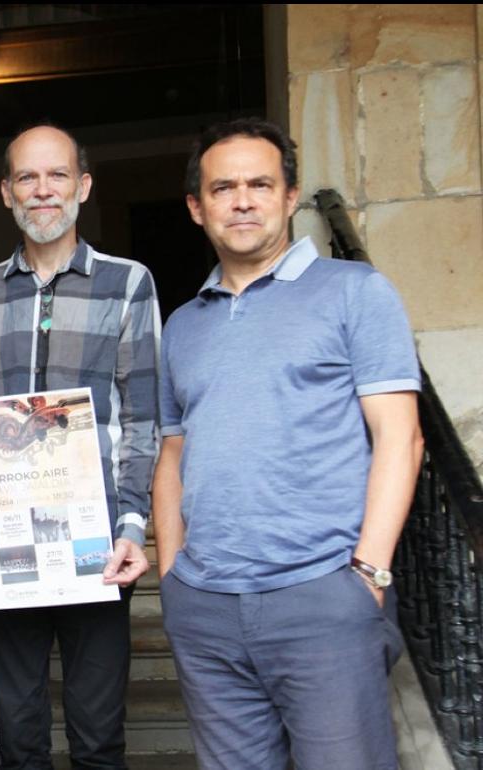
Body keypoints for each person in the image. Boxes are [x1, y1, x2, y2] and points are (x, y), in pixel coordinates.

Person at [152, 118, 423, 769]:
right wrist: (172, 580)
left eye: (259, 184)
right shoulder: (183, 325)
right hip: (208, 610)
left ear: (289, 195)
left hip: (323, 598)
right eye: (223, 188)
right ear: (197, 206)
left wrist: (369, 574)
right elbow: (172, 459)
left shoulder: (356, 292)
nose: (242, 200)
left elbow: (401, 437)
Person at [0, 124, 159, 769]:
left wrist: (132, 524)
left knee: (98, 740)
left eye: (58, 175)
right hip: (6, 538)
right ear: (6, 192)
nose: (44, 191)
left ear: (83, 187)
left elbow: (144, 415)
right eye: (28, 178)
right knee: (19, 739)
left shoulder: (128, 284)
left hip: (95, 541)